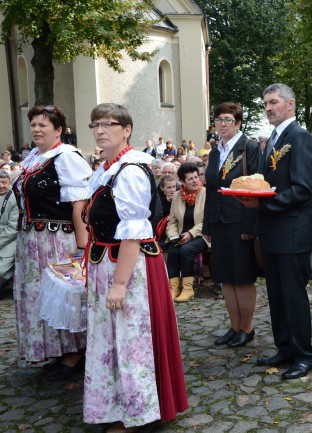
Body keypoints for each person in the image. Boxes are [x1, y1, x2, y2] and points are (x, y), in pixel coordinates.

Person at [83, 103, 187, 432]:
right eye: (95, 125)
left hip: (129, 269)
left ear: (126, 129)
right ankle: (116, 405)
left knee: (131, 340)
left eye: (107, 124)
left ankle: (136, 414)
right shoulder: (109, 168)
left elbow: (132, 232)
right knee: (113, 339)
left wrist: (119, 284)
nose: (100, 130)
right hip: (109, 264)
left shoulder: (129, 169)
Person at [239, 83, 312, 380]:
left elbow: (301, 190)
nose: (268, 108)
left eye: (273, 102)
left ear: (290, 104)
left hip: (292, 233)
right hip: (272, 232)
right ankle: (285, 348)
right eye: (265, 104)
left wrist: (261, 206)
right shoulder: (273, 138)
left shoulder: (298, 138)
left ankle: (305, 354)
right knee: (277, 295)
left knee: (293, 297)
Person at [13, 105, 91, 380]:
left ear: (58, 130)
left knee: (62, 296)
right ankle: (57, 350)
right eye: (33, 124)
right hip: (31, 241)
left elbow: (79, 203)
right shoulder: (34, 157)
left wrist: (82, 247)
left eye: (43, 125)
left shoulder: (66, 157)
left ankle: (75, 353)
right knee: (39, 297)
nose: (36, 129)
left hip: (57, 240)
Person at [203, 102, 260, 348]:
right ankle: (233, 326)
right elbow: (212, 190)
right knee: (226, 277)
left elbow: (258, 188)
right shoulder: (215, 151)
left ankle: (247, 328)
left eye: (227, 120)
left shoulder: (249, 147)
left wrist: (251, 226)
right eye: (218, 120)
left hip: (240, 221)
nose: (222, 124)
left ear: (238, 123)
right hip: (218, 221)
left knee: (242, 277)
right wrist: (207, 226)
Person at [166, 163, 208, 302]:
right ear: (183, 182)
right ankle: (174, 287)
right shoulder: (177, 195)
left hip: (202, 234)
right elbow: (172, 220)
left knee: (186, 249)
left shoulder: (206, 194)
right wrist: (172, 236)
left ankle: (188, 289)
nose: (195, 181)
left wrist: (190, 234)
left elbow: (208, 220)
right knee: (173, 250)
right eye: (190, 179)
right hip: (180, 234)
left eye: (196, 177)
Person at [0, 171, 18, 292]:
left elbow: (12, 228)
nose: (1, 186)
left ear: (9, 183)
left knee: (1, 270)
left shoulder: (14, 198)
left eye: (4, 182)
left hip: (9, 239)